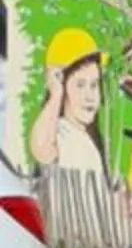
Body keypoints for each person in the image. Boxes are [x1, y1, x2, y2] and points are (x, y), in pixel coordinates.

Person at [30, 28, 109, 179]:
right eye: (80, 85)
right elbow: (41, 148)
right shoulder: (59, 132)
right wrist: (56, 94)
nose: (90, 96)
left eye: (94, 85)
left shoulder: (88, 140)